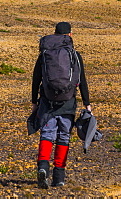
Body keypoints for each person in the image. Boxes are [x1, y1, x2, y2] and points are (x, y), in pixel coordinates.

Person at [30, 21, 91, 189]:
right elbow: (82, 81)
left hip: (47, 101)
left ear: (55, 34)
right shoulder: (74, 54)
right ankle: (59, 176)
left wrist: (34, 102)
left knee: (47, 134)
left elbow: (36, 79)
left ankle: (43, 168)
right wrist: (87, 104)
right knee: (64, 136)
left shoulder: (45, 53)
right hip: (68, 101)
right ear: (70, 35)